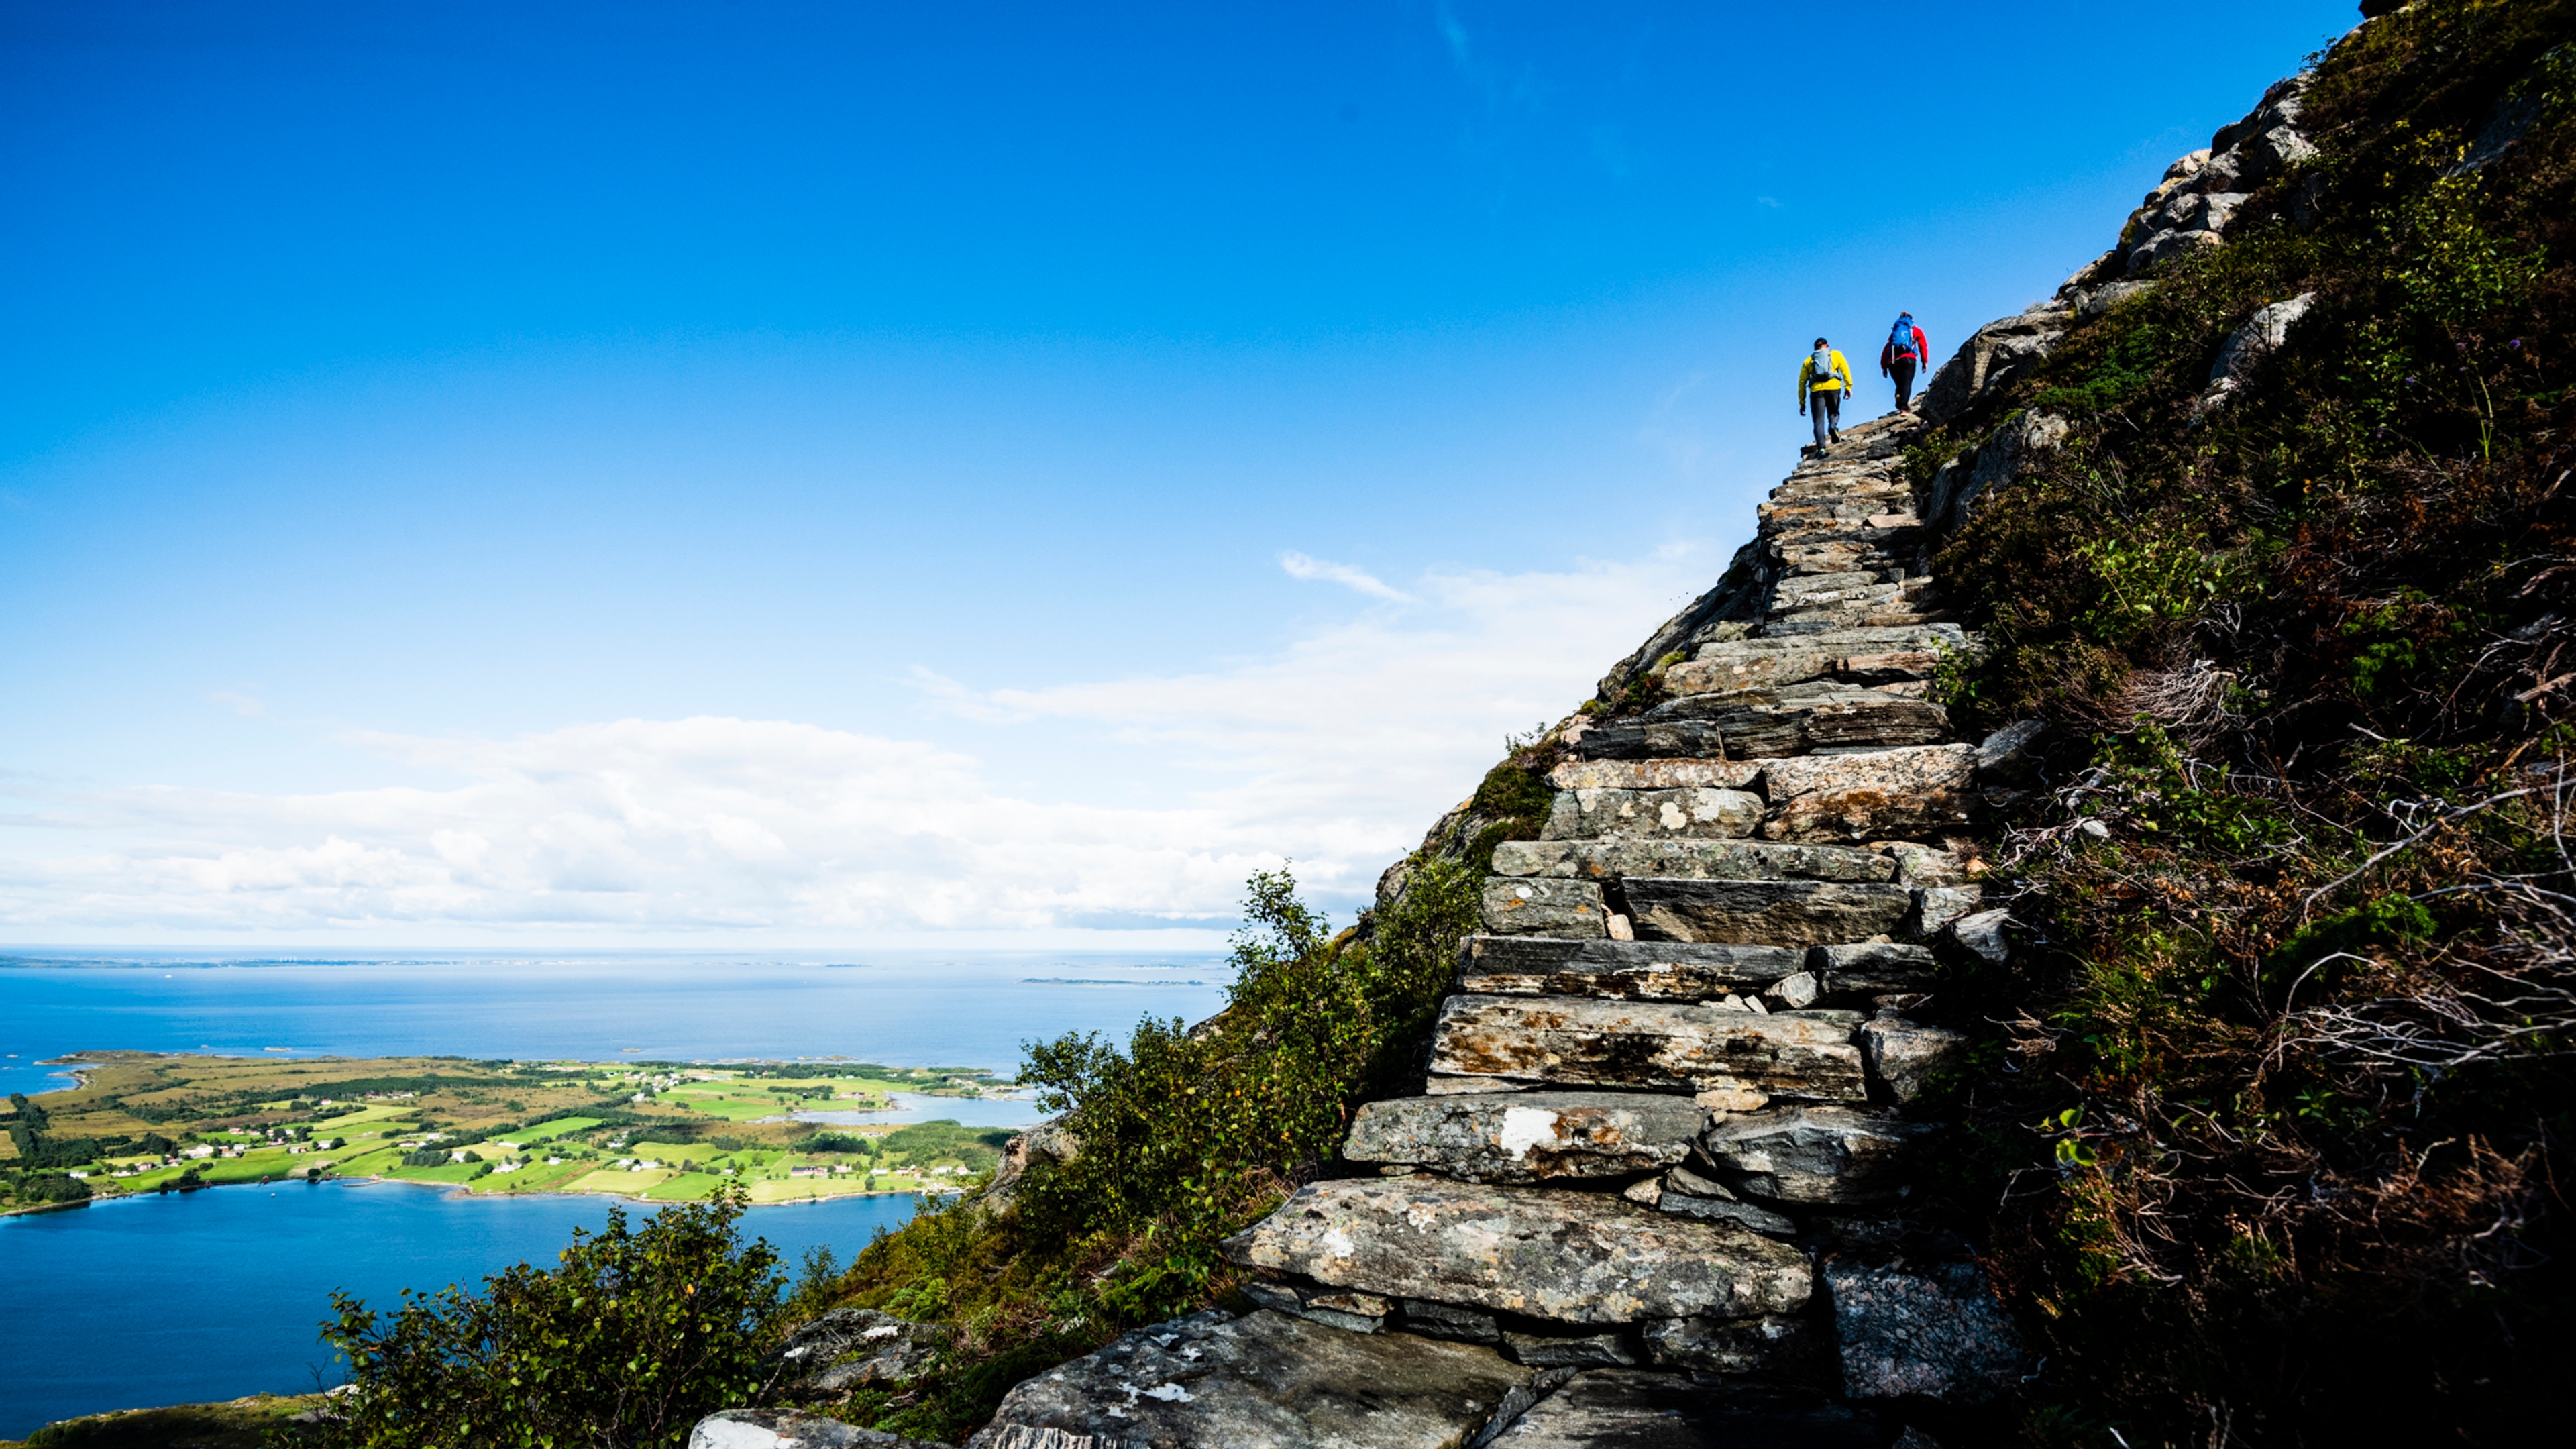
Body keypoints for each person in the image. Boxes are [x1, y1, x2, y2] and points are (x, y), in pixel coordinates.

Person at [1797, 337, 1854, 450]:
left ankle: (1822, 449)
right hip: (1834, 387)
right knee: (1834, 412)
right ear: (1827, 346)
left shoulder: (1808, 361)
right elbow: (1845, 370)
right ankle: (1833, 426)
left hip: (1816, 391)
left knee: (1818, 421)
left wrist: (1802, 402)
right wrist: (1848, 386)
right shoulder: (1836, 355)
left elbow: (1802, 382)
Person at [1881, 312, 1929, 412]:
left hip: (1892, 362)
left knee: (1900, 385)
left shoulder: (1894, 333)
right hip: (1908, 359)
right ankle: (1903, 408)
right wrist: (1924, 361)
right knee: (1906, 384)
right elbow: (1923, 346)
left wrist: (1884, 366)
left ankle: (1899, 401)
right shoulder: (1915, 330)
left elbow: (1886, 349)